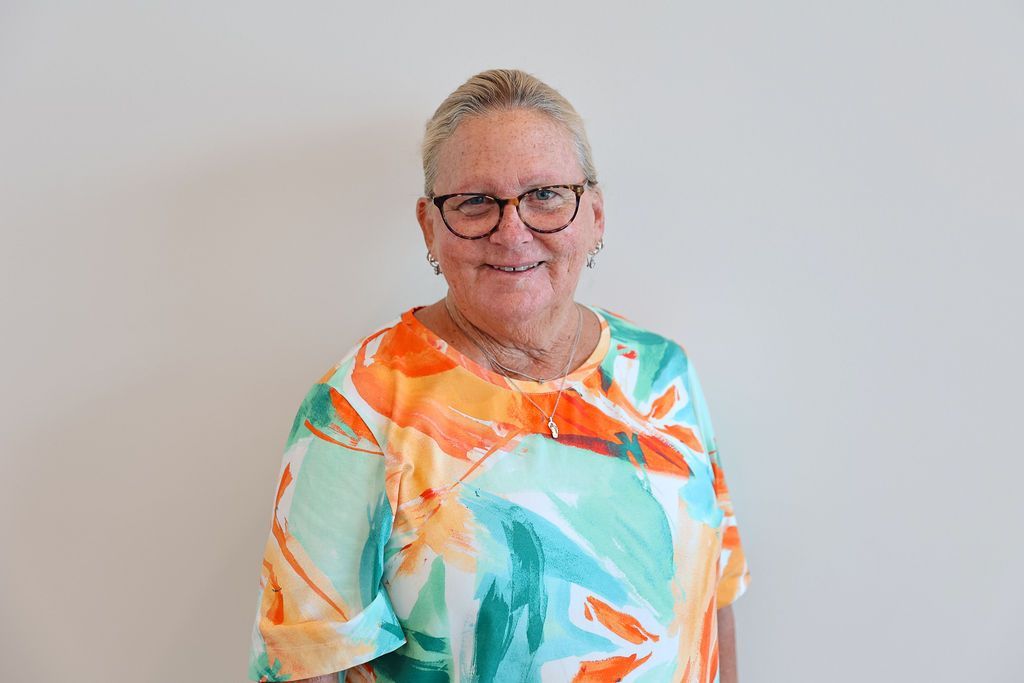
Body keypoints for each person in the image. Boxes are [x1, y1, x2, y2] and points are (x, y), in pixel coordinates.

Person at [246, 68, 751, 683]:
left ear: (594, 214)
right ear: (430, 226)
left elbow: (714, 596)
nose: (513, 233)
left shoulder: (662, 373)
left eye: (544, 195)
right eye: (475, 202)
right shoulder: (361, 404)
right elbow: (309, 664)